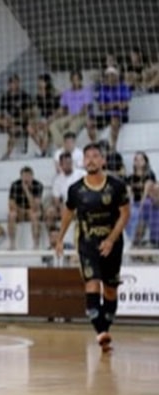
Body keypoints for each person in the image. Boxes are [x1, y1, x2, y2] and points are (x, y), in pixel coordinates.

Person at [56, 143, 129, 354]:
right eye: (87, 156)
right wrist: (60, 238)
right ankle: (100, 333)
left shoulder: (116, 186)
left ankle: (104, 328)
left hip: (113, 244)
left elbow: (125, 214)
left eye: (96, 156)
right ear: (83, 161)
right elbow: (68, 214)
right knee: (92, 284)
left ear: (103, 161)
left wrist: (111, 239)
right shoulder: (75, 190)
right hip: (87, 243)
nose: (91, 160)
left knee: (110, 290)